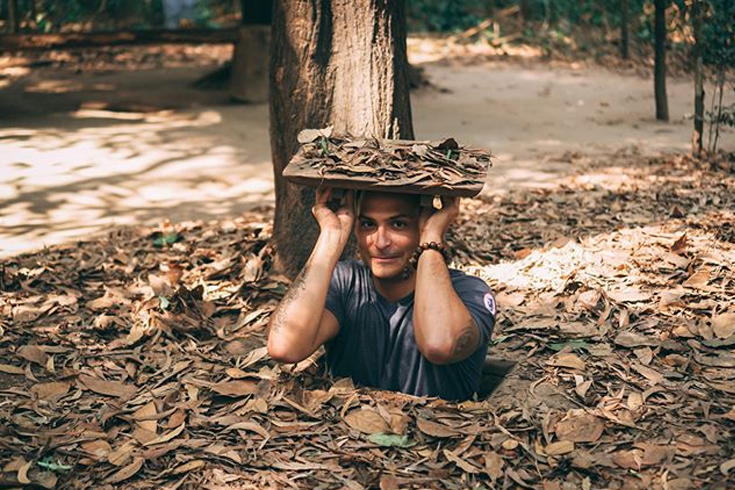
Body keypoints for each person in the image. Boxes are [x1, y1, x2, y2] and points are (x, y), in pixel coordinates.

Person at [267, 187, 496, 400]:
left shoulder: (470, 292)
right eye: (368, 224)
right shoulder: (345, 282)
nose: (380, 242)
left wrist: (431, 240)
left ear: (422, 224)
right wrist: (330, 238)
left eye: (398, 224)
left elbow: (440, 345)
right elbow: (284, 347)